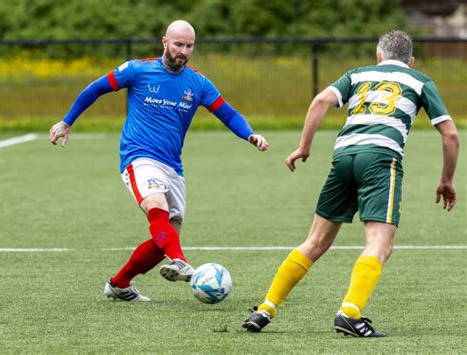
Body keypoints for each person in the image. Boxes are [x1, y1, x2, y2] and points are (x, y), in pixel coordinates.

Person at [242, 30, 459, 337]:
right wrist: (446, 180)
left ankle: (266, 309)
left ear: (378, 57)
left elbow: (320, 100)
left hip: (344, 156)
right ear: (411, 61)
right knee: (380, 243)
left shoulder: (358, 74)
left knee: (315, 242)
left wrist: (304, 147)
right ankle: (350, 313)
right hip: (381, 158)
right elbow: (450, 134)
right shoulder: (420, 80)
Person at [49, 20, 268, 302]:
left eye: (189, 46)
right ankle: (181, 261)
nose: (183, 51)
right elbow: (95, 89)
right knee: (156, 205)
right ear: (164, 41)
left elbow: (228, 113)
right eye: (178, 44)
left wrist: (250, 135)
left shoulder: (198, 83)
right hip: (138, 157)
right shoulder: (138, 70)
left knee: (163, 238)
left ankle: (119, 284)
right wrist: (67, 121)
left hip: (173, 167)